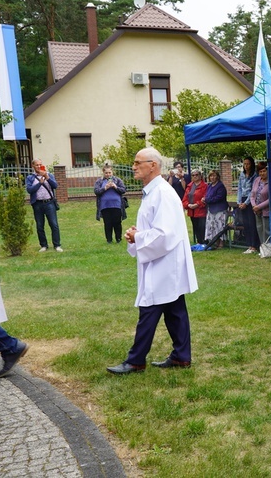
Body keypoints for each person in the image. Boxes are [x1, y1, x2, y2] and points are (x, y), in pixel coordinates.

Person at [107, 148, 198, 374]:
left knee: (150, 306)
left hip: (165, 262)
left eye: (138, 163)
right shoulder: (154, 192)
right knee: (175, 309)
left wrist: (137, 237)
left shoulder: (163, 193)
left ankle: (136, 360)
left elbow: (164, 234)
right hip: (162, 260)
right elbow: (155, 227)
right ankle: (181, 356)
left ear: (153, 166)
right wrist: (137, 234)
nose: (134, 166)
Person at [25, 158, 62, 252]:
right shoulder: (30, 178)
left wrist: (47, 177)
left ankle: (57, 245)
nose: (38, 166)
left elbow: (55, 186)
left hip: (49, 203)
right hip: (37, 204)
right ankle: (44, 245)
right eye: (37, 165)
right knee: (40, 225)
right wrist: (39, 184)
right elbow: (29, 190)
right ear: (33, 166)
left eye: (40, 164)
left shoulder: (49, 175)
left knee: (54, 224)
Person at [94, 165, 127, 243]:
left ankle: (118, 238)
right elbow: (96, 191)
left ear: (112, 172)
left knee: (117, 223)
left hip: (117, 205)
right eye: (106, 173)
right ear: (103, 173)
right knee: (107, 223)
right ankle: (109, 240)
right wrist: (105, 188)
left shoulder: (117, 180)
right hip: (105, 206)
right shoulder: (99, 181)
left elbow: (123, 190)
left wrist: (115, 187)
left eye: (109, 172)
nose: (108, 174)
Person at [236, 157, 260, 254]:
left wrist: (246, 203)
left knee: (252, 223)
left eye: (248, 164)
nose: (246, 166)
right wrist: (239, 201)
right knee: (246, 223)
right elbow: (239, 188)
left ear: (252, 164)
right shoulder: (242, 174)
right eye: (245, 164)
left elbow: (252, 190)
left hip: (250, 201)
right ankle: (249, 244)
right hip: (242, 199)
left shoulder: (254, 175)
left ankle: (254, 245)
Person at [250, 162, 271, 246]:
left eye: (264, 171)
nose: (262, 173)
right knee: (259, 229)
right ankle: (263, 247)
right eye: (260, 171)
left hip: (266, 210)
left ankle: (269, 248)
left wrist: (259, 207)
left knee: (267, 230)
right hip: (256, 210)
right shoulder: (257, 180)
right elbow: (252, 195)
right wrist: (254, 206)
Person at [203, 170, 228, 248]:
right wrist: (204, 199)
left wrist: (207, 200)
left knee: (220, 226)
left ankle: (221, 243)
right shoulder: (209, 186)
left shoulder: (220, 186)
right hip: (211, 209)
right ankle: (215, 241)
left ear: (217, 177)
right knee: (212, 226)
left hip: (220, 209)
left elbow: (219, 197)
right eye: (211, 176)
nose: (212, 177)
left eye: (214, 176)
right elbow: (208, 195)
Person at [182, 169, 207, 244]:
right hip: (191, 211)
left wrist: (197, 204)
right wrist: (188, 205)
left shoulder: (205, 186)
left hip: (201, 211)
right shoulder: (189, 186)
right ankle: (199, 242)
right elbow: (184, 199)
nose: (195, 176)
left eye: (196, 175)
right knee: (195, 227)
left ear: (200, 176)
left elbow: (205, 198)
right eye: (193, 175)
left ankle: (204, 242)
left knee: (202, 227)